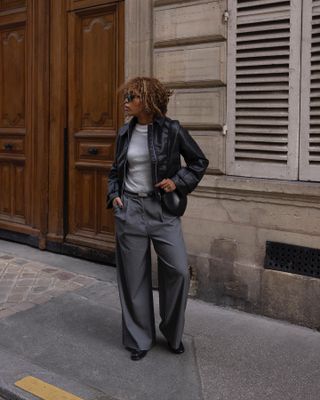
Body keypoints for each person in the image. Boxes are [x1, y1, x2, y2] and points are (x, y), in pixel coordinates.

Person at [107, 77, 208, 361]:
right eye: (126, 95)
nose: (125, 100)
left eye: (132, 96)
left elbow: (199, 162)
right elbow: (115, 171)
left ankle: (172, 332)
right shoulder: (124, 133)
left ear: (148, 101)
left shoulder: (172, 130)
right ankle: (140, 338)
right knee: (133, 278)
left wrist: (178, 181)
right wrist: (114, 195)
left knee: (178, 270)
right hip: (130, 210)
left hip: (163, 211)